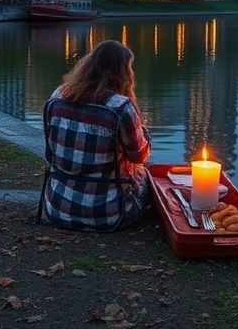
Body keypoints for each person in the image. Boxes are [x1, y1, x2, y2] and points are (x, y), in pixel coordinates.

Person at [37, 40, 152, 231]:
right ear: (123, 73)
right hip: (107, 215)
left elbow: (51, 155)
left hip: (57, 209)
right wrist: (144, 132)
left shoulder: (57, 97)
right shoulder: (121, 107)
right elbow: (139, 156)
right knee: (144, 173)